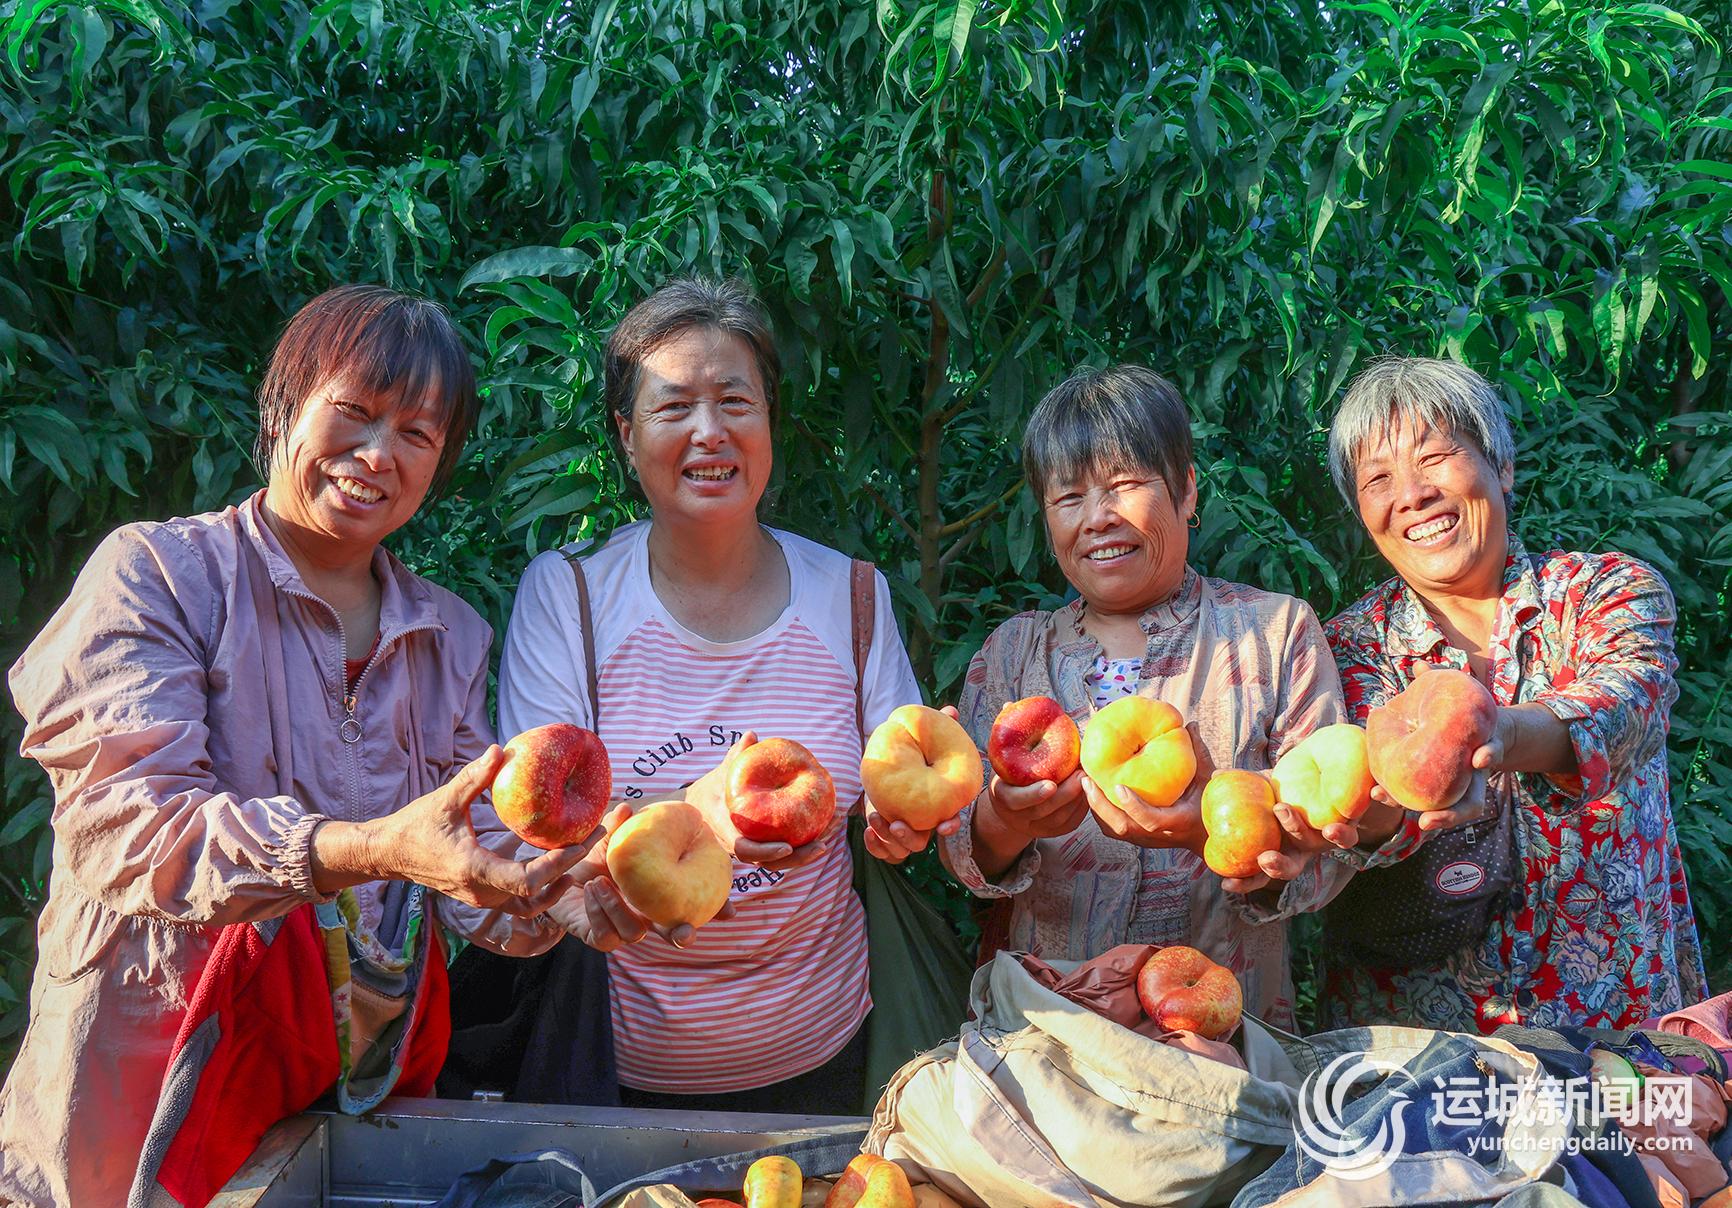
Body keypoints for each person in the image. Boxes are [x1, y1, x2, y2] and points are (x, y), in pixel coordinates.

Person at [0, 285, 587, 1207]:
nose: (379, 453)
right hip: (147, 1079)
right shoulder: (157, 575)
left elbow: (475, 863)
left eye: (417, 434)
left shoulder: (451, 636)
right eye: (354, 411)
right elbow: (132, 828)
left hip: (342, 1096)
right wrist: (371, 848)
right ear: (282, 408)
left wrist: (567, 891)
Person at [496, 277, 921, 1114]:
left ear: (769, 422)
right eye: (673, 406)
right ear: (626, 435)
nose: (709, 431)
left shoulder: (851, 596)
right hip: (615, 1069)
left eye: (735, 401)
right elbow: (535, 836)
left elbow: (898, 791)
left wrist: (907, 824)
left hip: (824, 1049)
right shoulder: (571, 598)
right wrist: (708, 816)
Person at [907, 365, 1411, 1028]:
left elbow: (1326, 845)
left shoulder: (1274, 634)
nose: (1098, 518)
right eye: (1068, 497)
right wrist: (1009, 818)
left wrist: (1215, 832)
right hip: (1051, 1033)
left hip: (1227, 1031)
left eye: (1124, 486)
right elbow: (965, 854)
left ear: (1186, 489)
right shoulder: (1012, 657)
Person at [1319, 355, 1706, 1031]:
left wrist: (1495, 735)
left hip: (1612, 1023)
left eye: (1435, 457)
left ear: (1502, 467)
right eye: (1378, 479)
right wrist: (1358, 818)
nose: (1412, 494)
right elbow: (1361, 800)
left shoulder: (1607, 592)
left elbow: (1624, 706)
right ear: (1363, 513)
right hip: (1419, 1048)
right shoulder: (1346, 648)